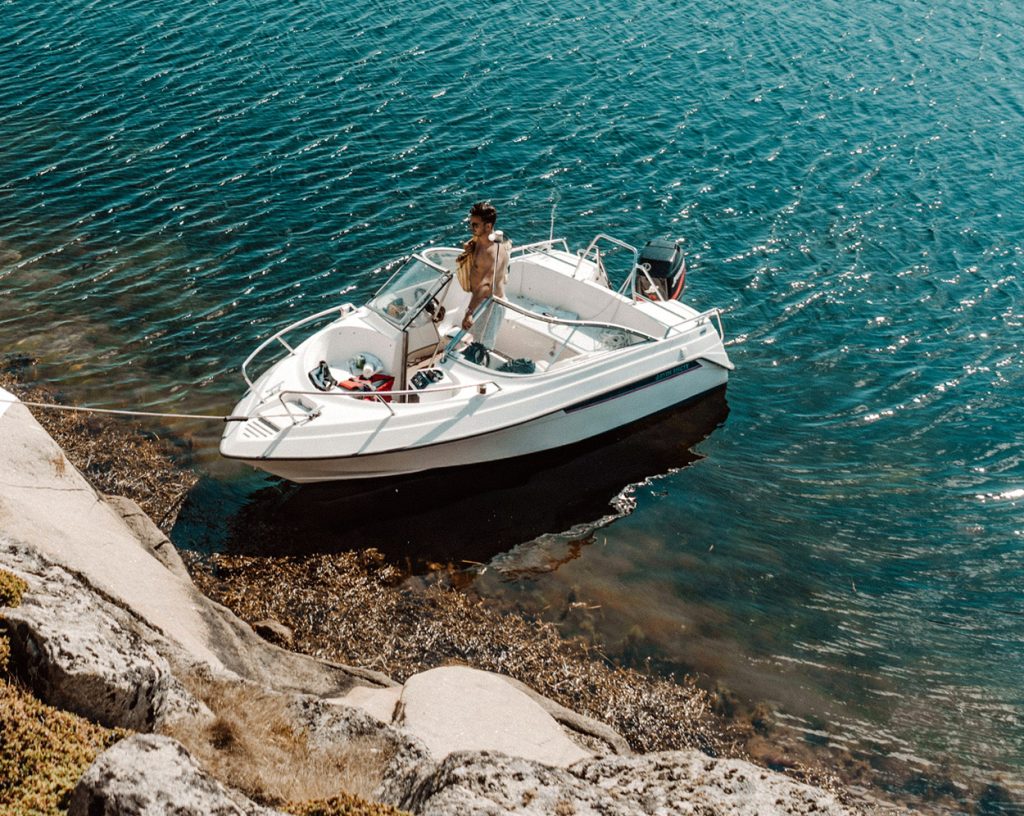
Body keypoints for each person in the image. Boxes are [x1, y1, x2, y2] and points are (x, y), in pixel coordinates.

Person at [457, 202, 509, 348]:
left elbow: (485, 285)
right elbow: (474, 242)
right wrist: (469, 246)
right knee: (475, 339)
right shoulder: (480, 239)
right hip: (480, 300)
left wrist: (469, 312)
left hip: (490, 304)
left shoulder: (492, 252)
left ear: (488, 226)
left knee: (483, 346)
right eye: (471, 223)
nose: (471, 227)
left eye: (475, 225)